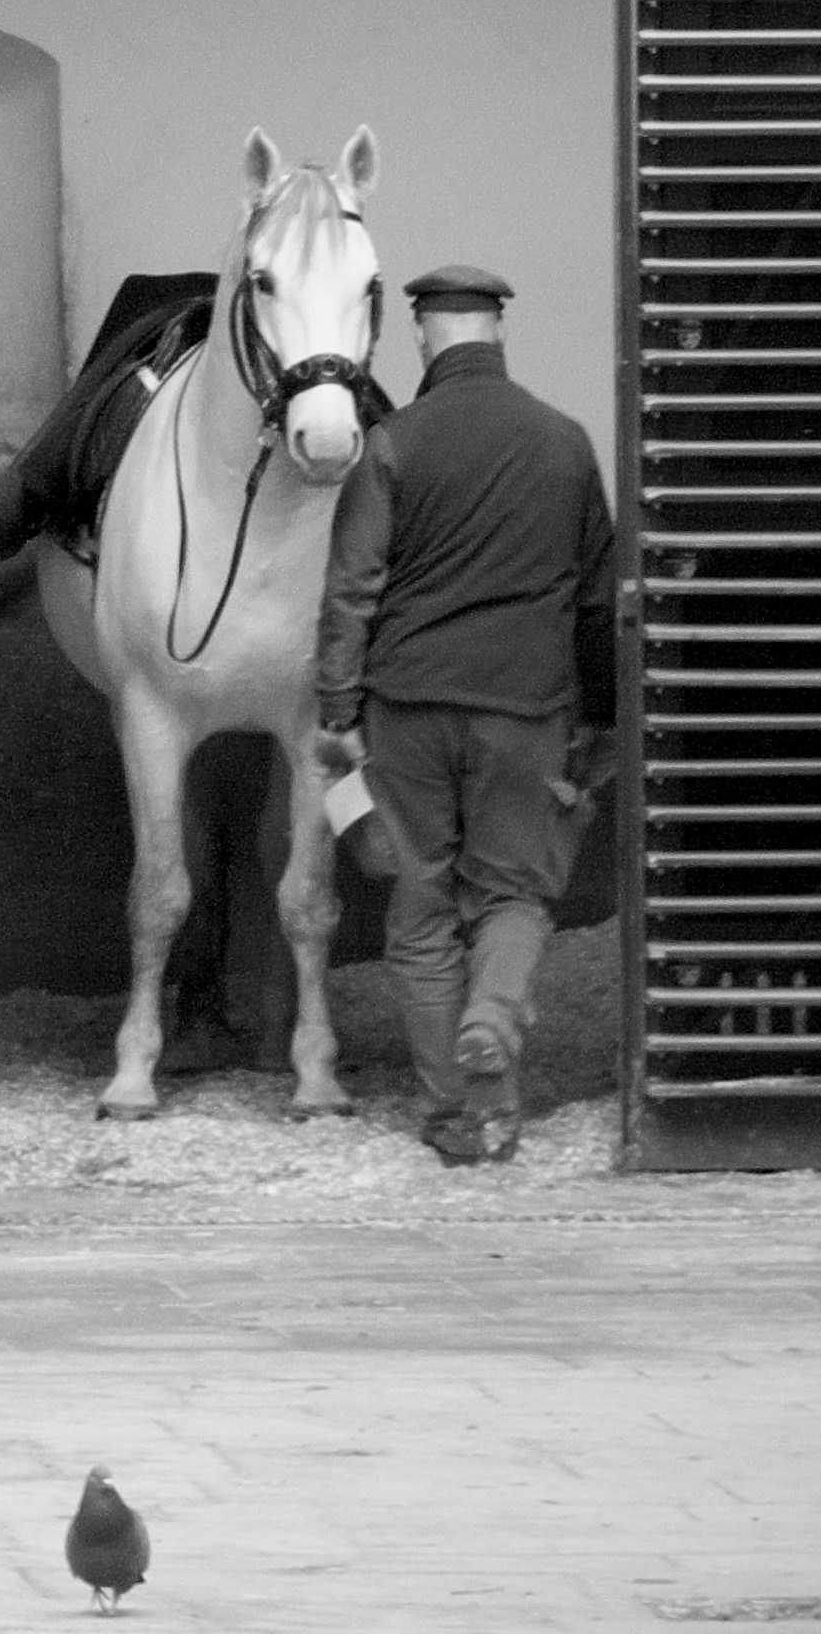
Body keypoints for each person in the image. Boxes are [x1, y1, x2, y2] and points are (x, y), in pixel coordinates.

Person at [310, 266, 615, 1164]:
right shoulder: (565, 443)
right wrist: (598, 717)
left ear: (419, 335)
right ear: (498, 331)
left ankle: (454, 1113)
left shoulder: (391, 444)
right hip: (527, 709)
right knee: (515, 893)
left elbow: (351, 591)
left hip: (406, 707)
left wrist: (336, 707)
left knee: (422, 909)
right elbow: (598, 597)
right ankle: (495, 1031)